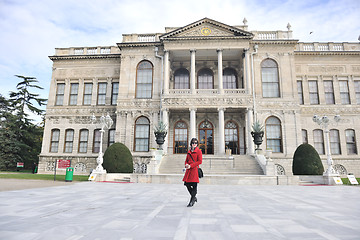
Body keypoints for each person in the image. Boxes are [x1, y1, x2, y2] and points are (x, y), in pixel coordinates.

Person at [182, 138, 203, 207]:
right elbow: (186, 160)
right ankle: (194, 197)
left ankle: (191, 201)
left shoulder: (199, 151)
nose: (194, 144)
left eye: (196, 143)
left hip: (194, 170)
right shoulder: (189, 151)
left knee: (194, 185)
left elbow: (200, 161)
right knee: (187, 184)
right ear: (191, 143)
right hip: (189, 170)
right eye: (193, 143)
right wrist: (186, 165)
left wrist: (191, 165)